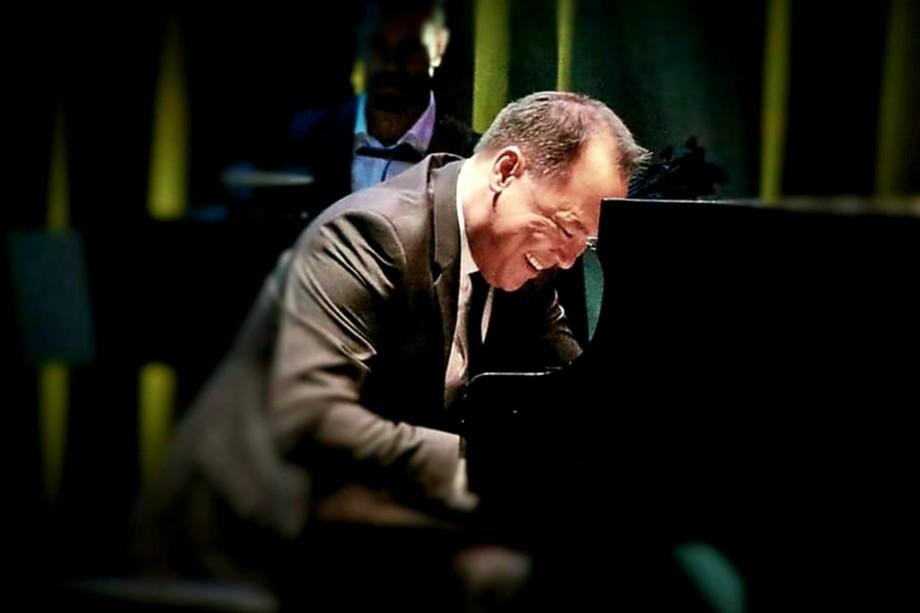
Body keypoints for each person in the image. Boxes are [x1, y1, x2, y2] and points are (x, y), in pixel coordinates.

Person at [134, 91, 649, 610]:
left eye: (586, 243)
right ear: (507, 171)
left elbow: (577, 396)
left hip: (367, 515)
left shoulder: (524, 261)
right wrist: (482, 467)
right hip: (244, 537)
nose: (568, 260)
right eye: (567, 228)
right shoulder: (372, 233)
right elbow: (311, 415)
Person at [224, 0, 478, 215]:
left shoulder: (472, 162)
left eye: (410, 50)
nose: (391, 65)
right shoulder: (299, 140)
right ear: (360, 44)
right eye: (378, 47)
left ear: (440, 45)